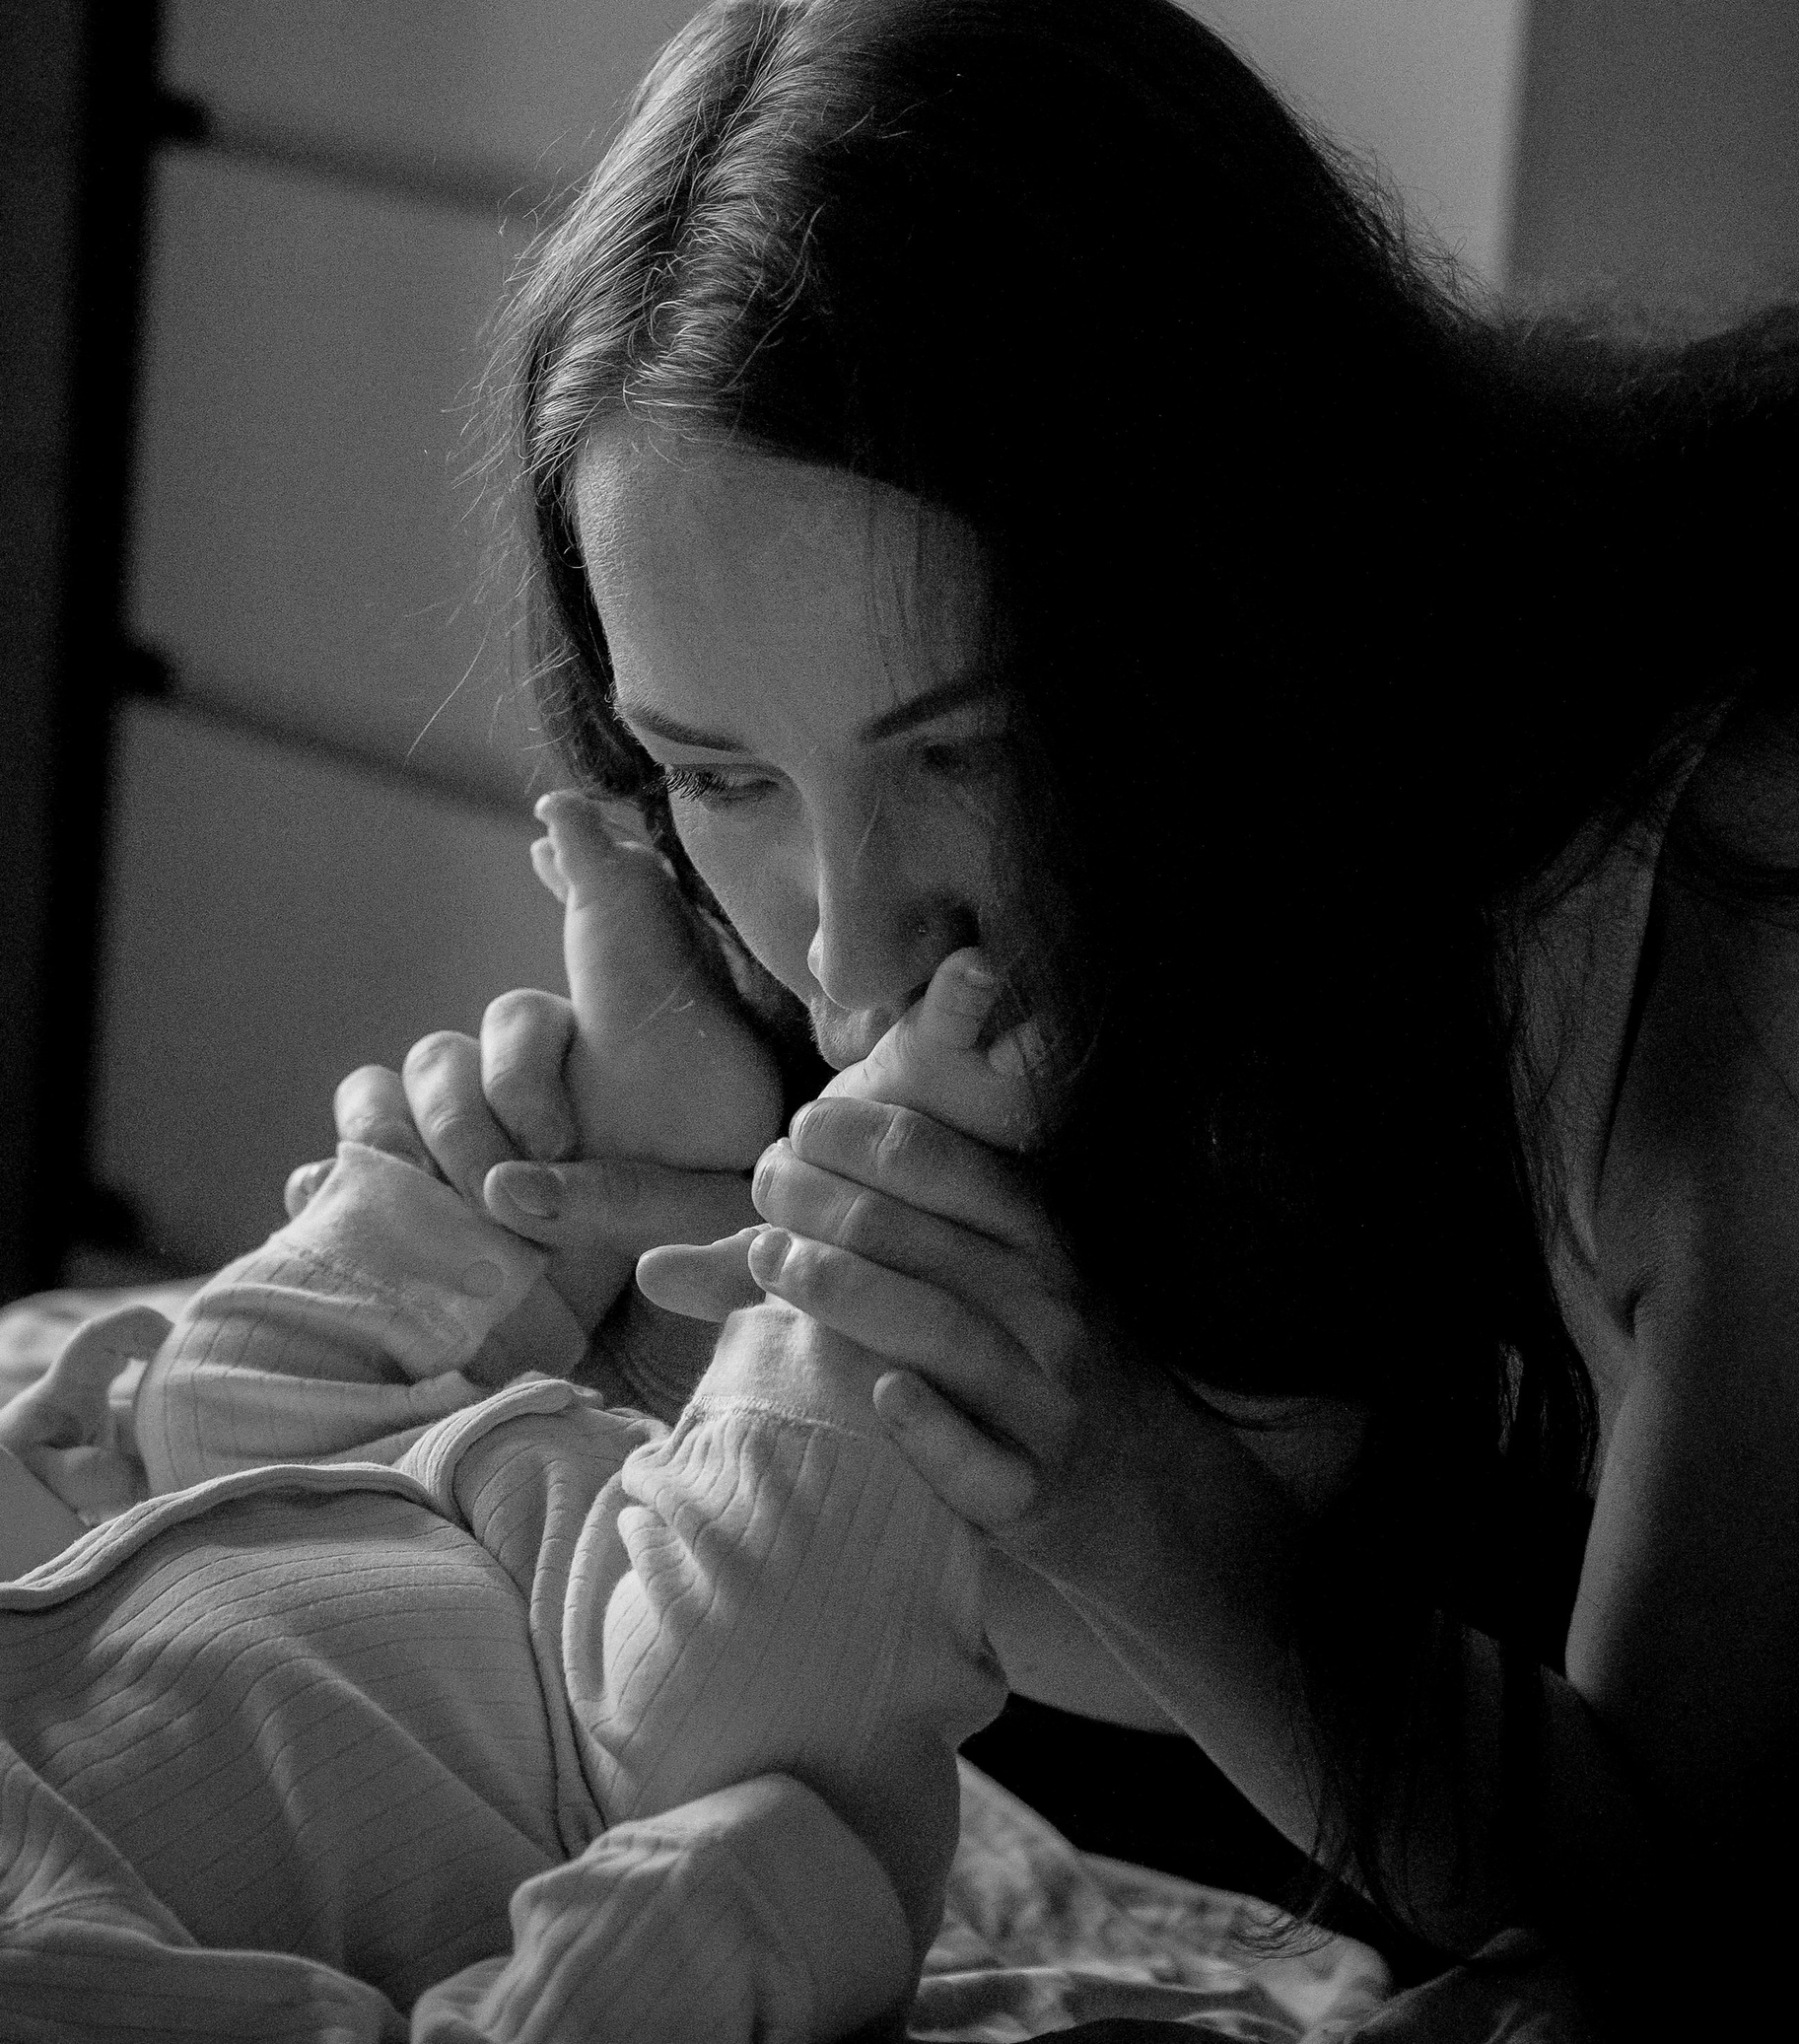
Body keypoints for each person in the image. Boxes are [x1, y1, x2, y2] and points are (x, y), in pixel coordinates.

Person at [333, 0, 1799, 2034]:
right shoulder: (1213, 908)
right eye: (718, 775)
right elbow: (1205, 1575)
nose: (849, 946)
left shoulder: (1795, 907)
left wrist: (1120, 1476)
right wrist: (694, 1341)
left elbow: (1674, 1911)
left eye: (965, 747)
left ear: (1229, 610)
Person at [0, 787, 1048, 2038]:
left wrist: (52, 1487)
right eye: (718, 774)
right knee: (739, 1694)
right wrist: (658, 1930)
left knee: (212, 1387)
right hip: (597, 1779)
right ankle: (890, 1172)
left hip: (318, 1517)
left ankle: (639, 1106)